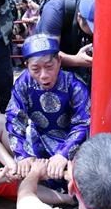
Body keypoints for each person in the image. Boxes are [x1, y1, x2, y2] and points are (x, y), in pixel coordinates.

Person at [5, 34, 90, 181]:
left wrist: (63, 153)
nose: (44, 75)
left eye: (49, 67)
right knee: (21, 175)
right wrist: (22, 154)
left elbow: (83, 123)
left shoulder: (74, 85)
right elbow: (14, 118)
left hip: (69, 139)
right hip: (38, 137)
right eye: (36, 69)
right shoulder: (23, 83)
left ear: (59, 61)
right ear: (27, 66)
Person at [35, 0, 95, 71]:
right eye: (93, 28)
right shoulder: (54, 11)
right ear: (80, 17)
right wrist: (76, 60)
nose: (95, 33)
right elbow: (48, 53)